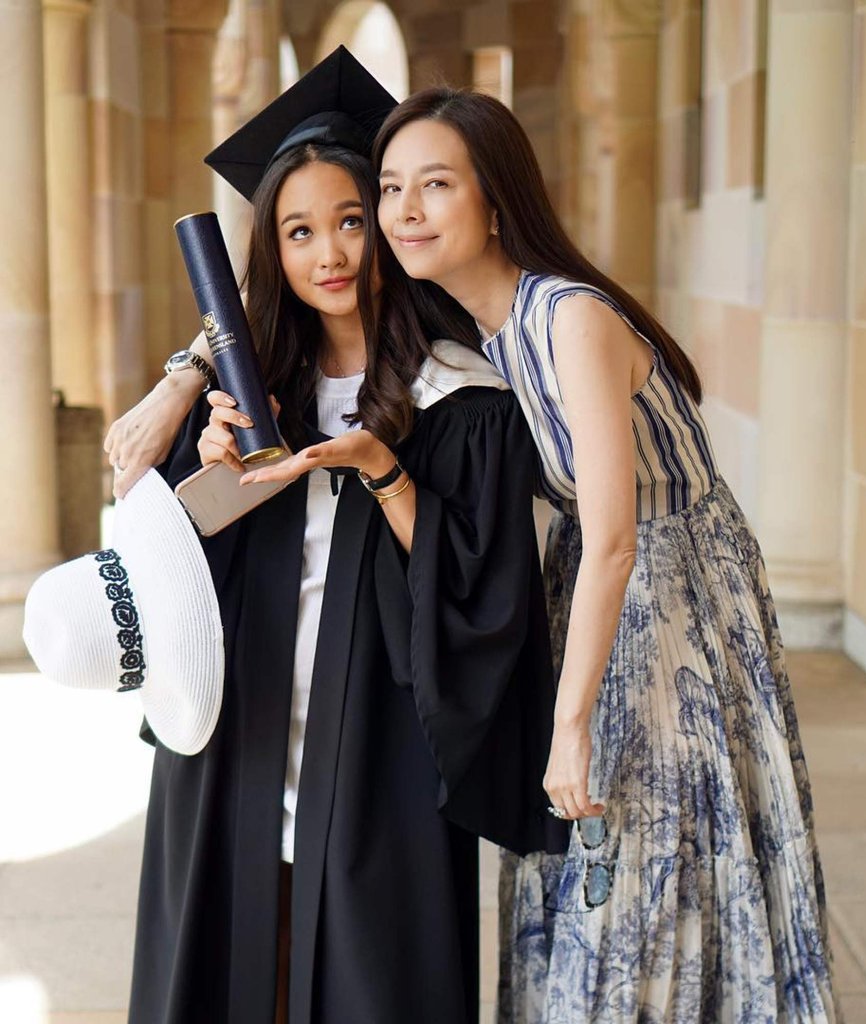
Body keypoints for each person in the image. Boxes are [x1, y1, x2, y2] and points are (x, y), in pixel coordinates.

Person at [372, 90, 841, 1022]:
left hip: (672, 599)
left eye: (435, 184)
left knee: (647, 854)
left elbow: (619, 536)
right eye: (390, 188)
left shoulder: (568, 317)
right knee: (596, 862)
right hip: (593, 586)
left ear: (496, 200)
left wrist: (570, 718)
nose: (405, 211)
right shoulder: (473, 331)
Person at [114, 51, 564, 1024]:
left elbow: (486, 603)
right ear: (270, 250)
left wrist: (381, 468)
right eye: (300, 230)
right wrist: (204, 454)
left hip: (376, 753)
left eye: (352, 219)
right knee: (241, 961)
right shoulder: (249, 390)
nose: (331, 253)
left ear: (387, 222)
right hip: (241, 733)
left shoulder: (459, 398)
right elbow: (168, 573)